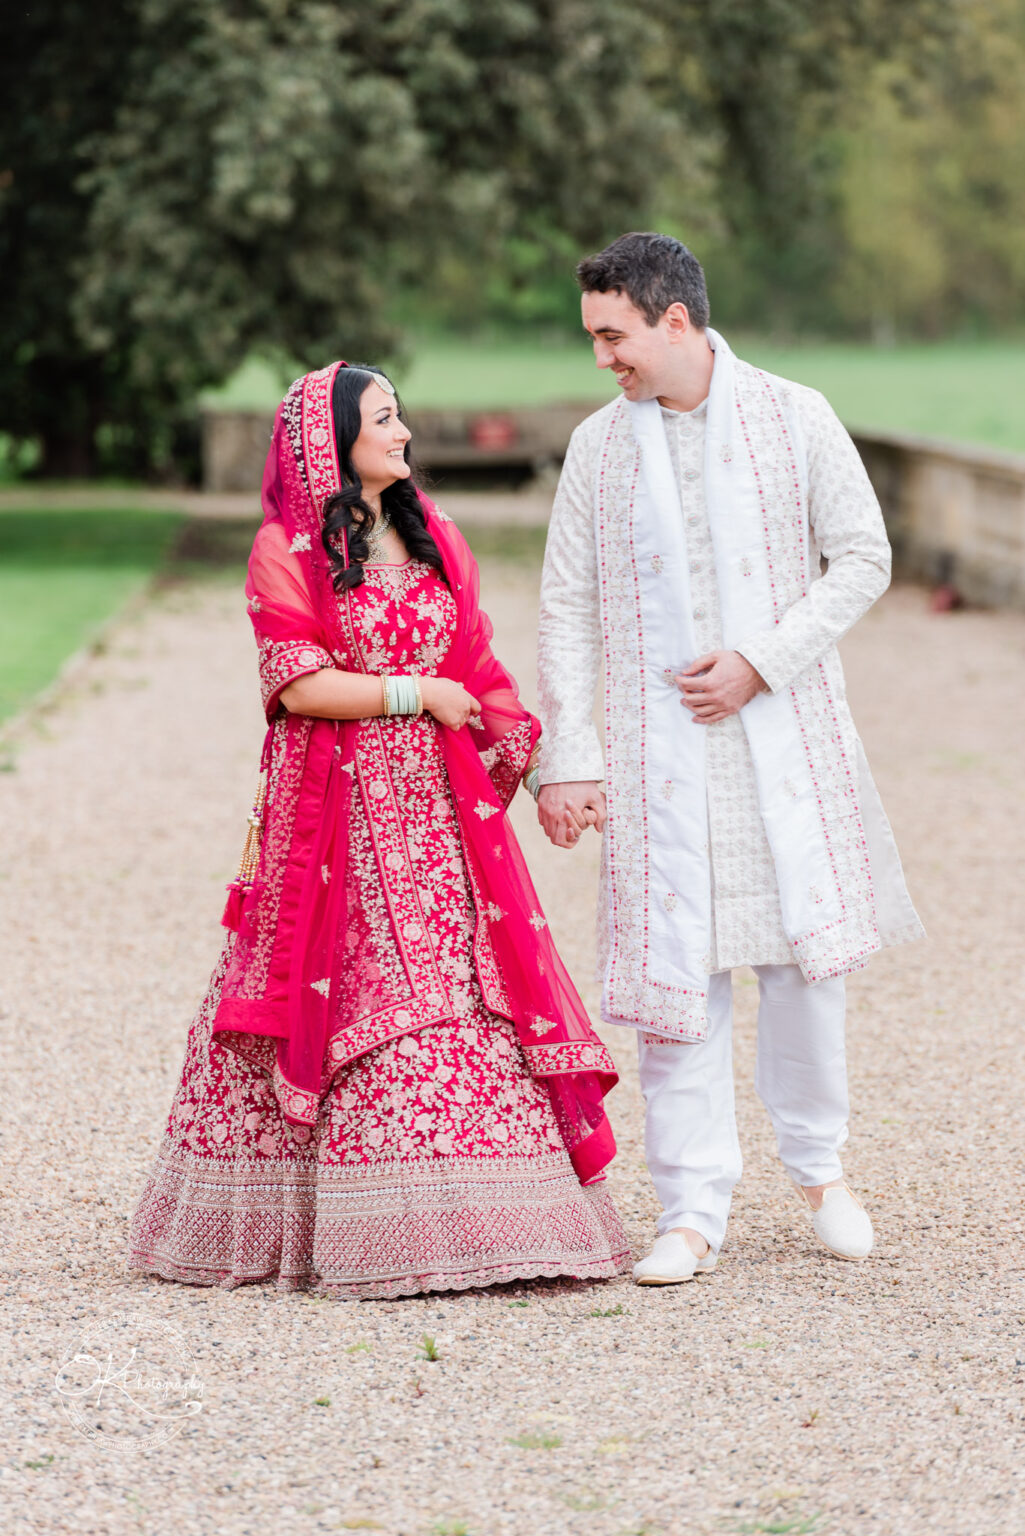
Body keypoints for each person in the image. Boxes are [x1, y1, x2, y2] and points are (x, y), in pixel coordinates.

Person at [129, 361, 630, 1299]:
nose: (404, 434)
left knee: (456, 982)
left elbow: (474, 659)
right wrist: (417, 695)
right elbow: (297, 683)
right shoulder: (285, 549)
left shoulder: (431, 532)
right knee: (344, 987)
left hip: (439, 820)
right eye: (385, 420)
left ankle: (501, 1217)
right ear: (333, 443)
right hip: (334, 816)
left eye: (401, 417)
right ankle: (371, 1229)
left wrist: (527, 751)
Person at [536, 233, 924, 1285]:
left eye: (612, 336)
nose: (601, 358)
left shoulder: (791, 416)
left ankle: (819, 1173)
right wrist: (567, 755)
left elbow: (862, 558)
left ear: (674, 321)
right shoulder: (597, 447)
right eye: (592, 339)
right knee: (678, 977)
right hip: (657, 757)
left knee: (801, 968)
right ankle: (689, 1209)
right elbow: (565, 603)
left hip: (780, 741)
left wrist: (761, 660)